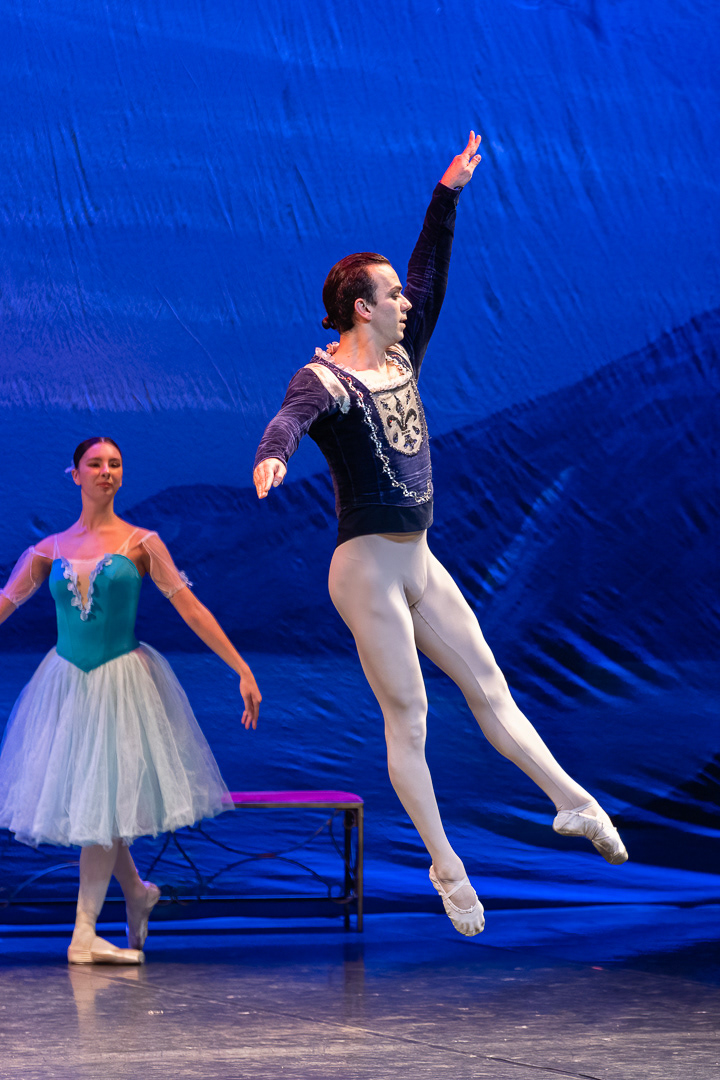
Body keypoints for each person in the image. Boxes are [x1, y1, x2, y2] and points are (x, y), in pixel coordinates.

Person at [252, 133, 628, 938]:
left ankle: (573, 802)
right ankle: (446, 865)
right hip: (365, 571)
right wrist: (273, 455)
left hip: (419, 559)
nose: (406, 303)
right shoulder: (326, 377)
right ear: (362, 307)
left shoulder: (403, 357)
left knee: (490, 685)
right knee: (412, 716)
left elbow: (430, 275)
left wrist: (446, 195)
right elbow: (290, 418)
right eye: (391, 296)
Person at [0, 437, 261, 964]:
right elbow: (5, 602)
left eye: (114, 464)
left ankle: (84, 933)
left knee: (102, 802)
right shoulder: (48, 550)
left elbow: (191, 608)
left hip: (122, 685)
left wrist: (241, 667)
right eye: (95, 464)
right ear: (75, 474)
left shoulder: (143, 543)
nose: (106, 471)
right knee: (99, 804)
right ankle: (137, 894)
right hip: (66, 687)